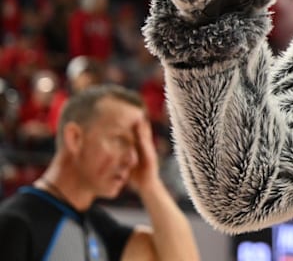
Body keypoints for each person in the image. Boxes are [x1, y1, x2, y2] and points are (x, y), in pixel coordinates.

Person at [0, 84, 199, 260]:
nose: (133, 159)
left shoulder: (98, 228)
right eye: (121, 140)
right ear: (75, 138)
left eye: (138, 147)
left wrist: (149, 183)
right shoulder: (15, 223)